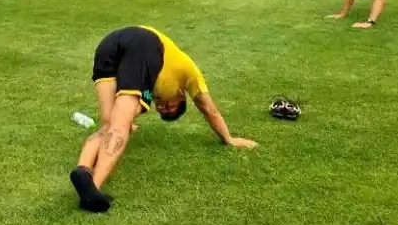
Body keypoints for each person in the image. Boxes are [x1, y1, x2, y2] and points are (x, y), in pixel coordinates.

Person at [70, 26, 258, 213]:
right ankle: (93, 189)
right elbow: (208, 109)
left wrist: (130, 122)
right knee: (120, 126)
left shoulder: (147, 90)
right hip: (146, 44)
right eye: (171, 106)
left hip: (109, 44)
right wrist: (228, 138)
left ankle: (83, 169)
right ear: (181, 96)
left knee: (109, 124)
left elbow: (127, 106)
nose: (164, 107)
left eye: (163, 111)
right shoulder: (189, 74)